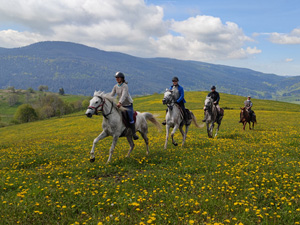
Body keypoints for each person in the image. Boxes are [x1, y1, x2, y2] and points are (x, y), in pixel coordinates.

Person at [110, 71, 139, 140]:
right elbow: (112, 94)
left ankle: (134, 133)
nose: (117, 79)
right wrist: (107, 99)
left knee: (130, 117)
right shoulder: (115, 86)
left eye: (118, 77)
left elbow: (124, 95)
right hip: (121, 105)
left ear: (122, 78)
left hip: (128, 104)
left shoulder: (125, 86)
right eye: (116, 77)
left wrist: (120, 102)